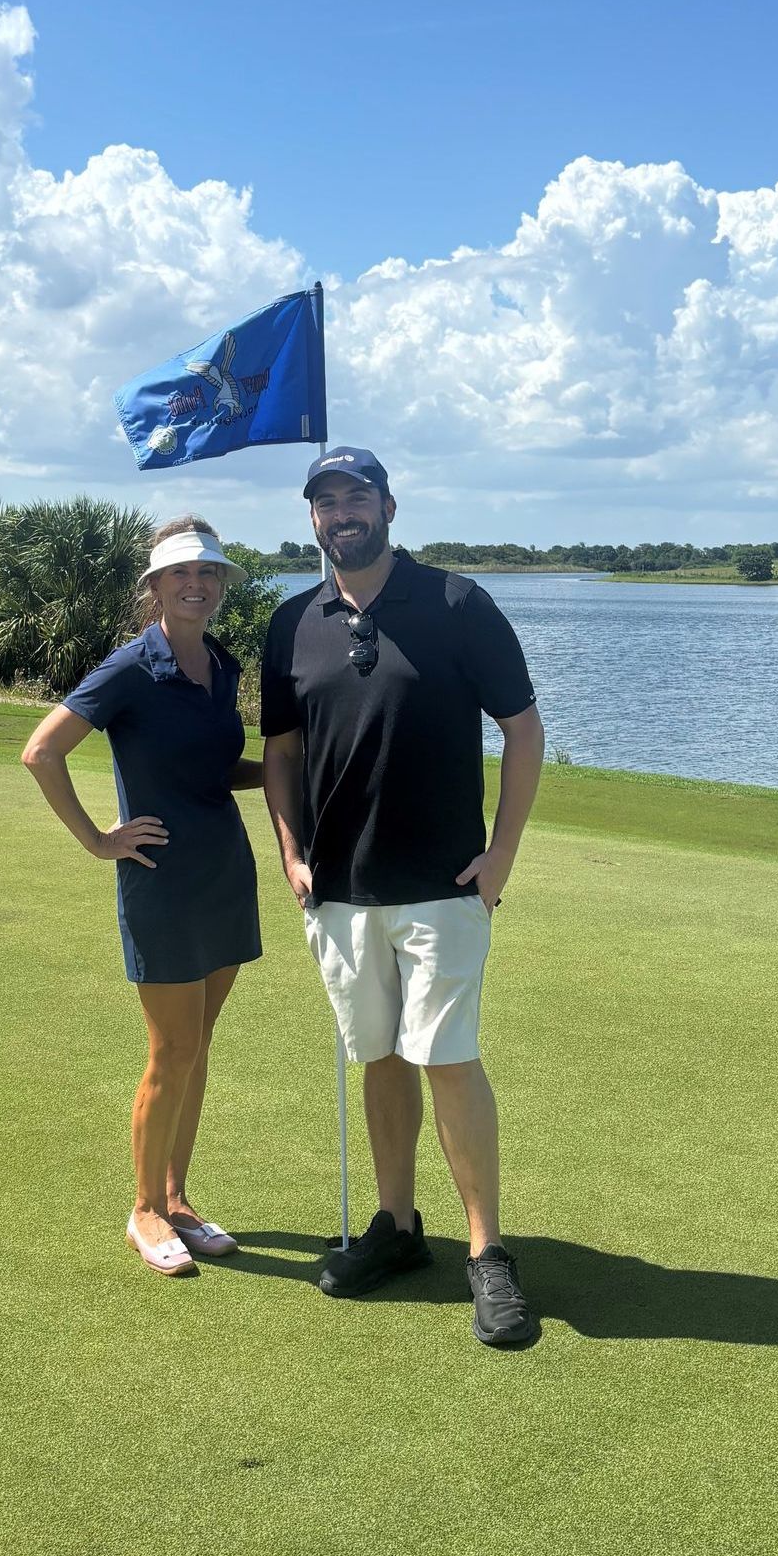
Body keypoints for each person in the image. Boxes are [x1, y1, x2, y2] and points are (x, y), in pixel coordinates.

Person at [260, 448, 546, 1346]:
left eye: (356, 497)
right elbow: (281, 752)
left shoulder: (459, 602)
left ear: (388, 505)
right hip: (339, 893)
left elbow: (525, 731)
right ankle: (398, 1226)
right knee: (379, 1056)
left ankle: (487, 1253)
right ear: (312, 519)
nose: (341, 513)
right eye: (325, 502)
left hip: (442, 884)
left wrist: (501, 854)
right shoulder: (291, 621)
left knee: (447, 1057)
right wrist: (289, 849)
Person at [22, 517, 263, 1276]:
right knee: (172, 1049)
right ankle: (144, 1210)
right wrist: (99, 839)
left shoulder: (221, 666)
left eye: (210, 574)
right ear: (154, 588)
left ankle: (178, 1198)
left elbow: (212, 771)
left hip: (224, 870)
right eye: (181, 575)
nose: (197, 585)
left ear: (221, 586)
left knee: (200, 1047)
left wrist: (288, 769)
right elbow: (42, 750)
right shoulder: (130, 666)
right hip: (160, 881)